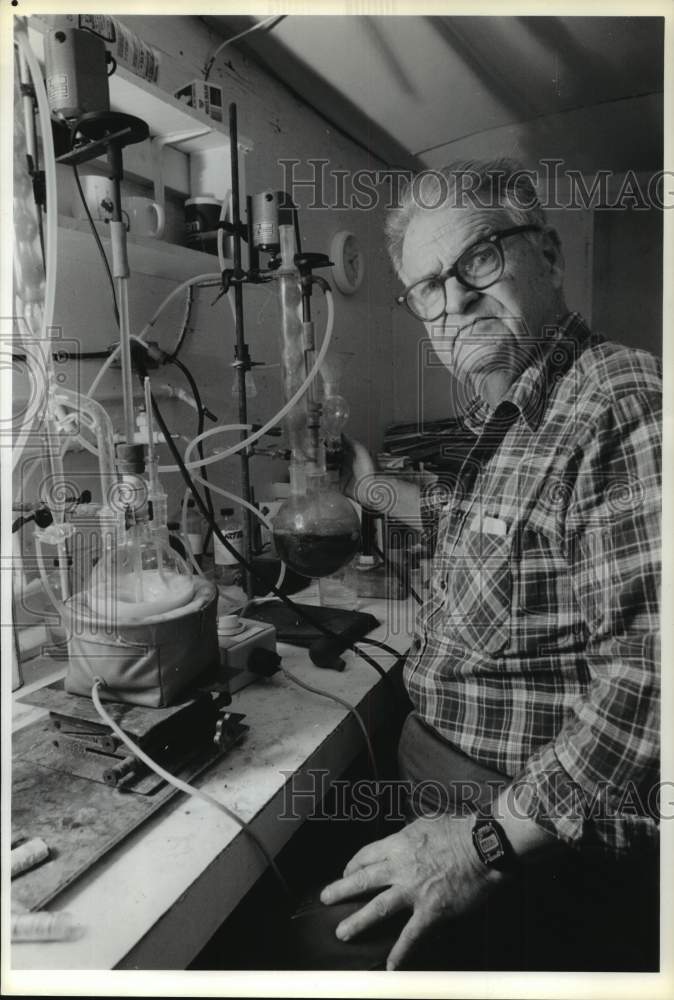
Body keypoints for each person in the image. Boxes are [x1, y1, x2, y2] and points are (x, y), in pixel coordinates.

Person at [312, 158, 661, 972]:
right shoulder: (518, 412)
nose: (454, 300)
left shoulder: (619, 401)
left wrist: (482, 842)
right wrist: (369, 488)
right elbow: (476, 525)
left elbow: (653, 678)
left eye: (478, 260)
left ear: (549, 256)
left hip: (528, 840)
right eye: (427, 287)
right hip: (456, 801)